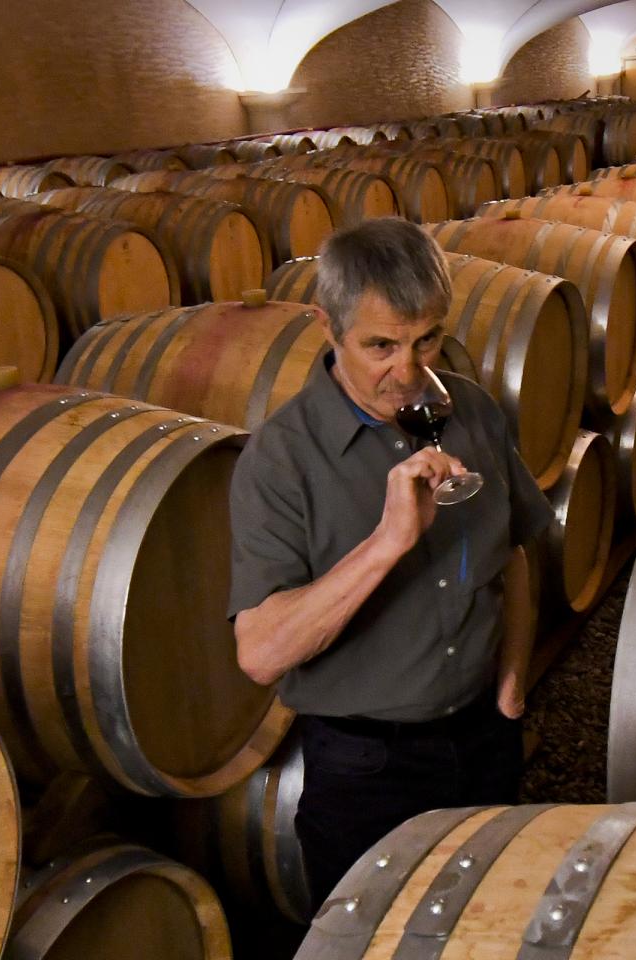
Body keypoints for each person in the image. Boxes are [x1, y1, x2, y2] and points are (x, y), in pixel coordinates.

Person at [226, 217, 552, 904]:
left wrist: (513, 686)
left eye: (426, 339)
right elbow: (259, 651)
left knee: (485, 919)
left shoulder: (474, 414)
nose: (407, 372)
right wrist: (387, 544)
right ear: (326, 325)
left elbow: (516, 550)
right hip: (367, 767)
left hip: (483, 735)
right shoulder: (281, 460)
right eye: (380, 346)